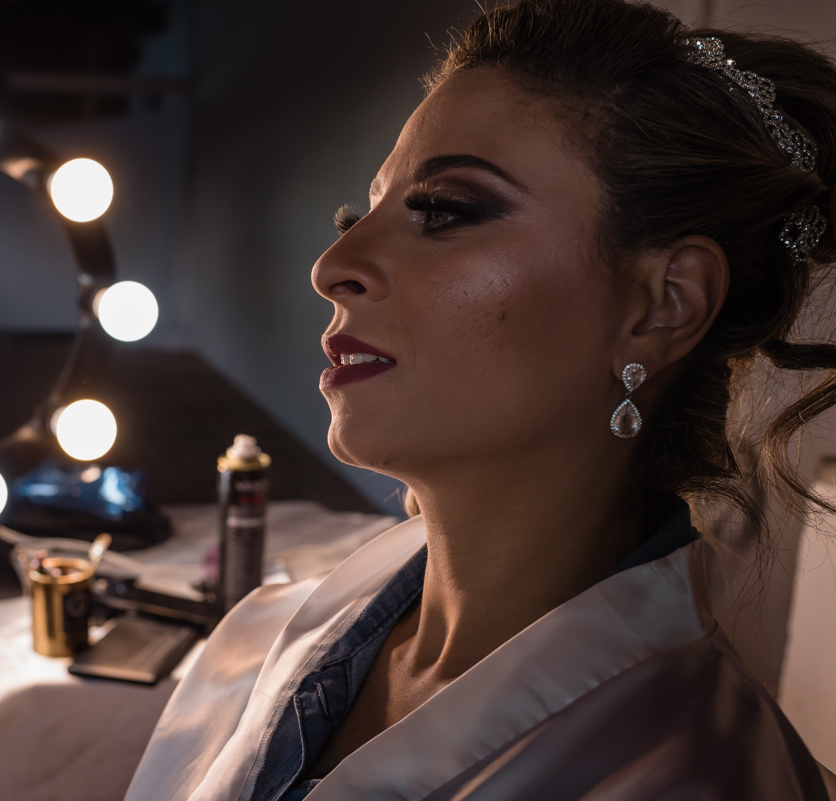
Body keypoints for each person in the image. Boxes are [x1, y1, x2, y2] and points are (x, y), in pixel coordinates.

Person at [125, 1, 836, 799]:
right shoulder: (258, 640)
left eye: (443, 211)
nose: (332, 265)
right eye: (358, 215)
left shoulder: (696, 776)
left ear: (662, 304)